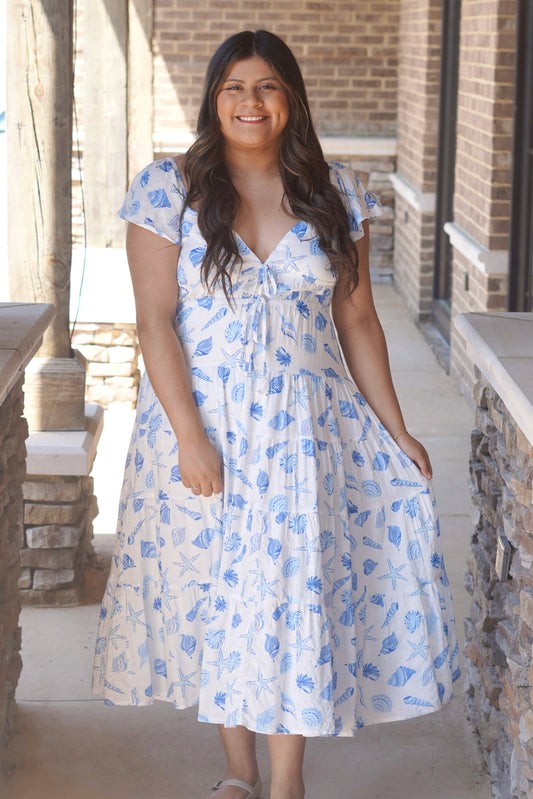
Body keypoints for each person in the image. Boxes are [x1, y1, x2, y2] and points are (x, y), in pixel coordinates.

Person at [92, 29, 460, 799]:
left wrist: (394, 429)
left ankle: (286, 782)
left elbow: (357, 321)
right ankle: (239, 772)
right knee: (222, 594)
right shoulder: (167, 190)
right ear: (212, 99)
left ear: (290, 98)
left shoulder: (336, 192)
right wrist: (189, 436)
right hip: (207, 427)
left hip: (306, 432)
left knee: (290, 592)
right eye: (233, 87)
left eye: (265, 86)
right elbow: (155, 322)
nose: (249, 102)